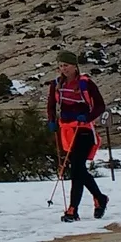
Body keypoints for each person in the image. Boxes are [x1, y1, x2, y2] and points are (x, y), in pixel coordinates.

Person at [47, 60, 109, 222]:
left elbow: (100, 106)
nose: (63, 69)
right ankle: (99, 198)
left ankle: (73, 209)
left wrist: (88, 117)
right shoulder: (56, 84)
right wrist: (51, 120)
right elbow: (51, 106)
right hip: (67, 130)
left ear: (75, 66)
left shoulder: (85, 83)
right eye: (60, 66)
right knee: (78, 169)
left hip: (84, 129)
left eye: (66, 65)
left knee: (76, 168)